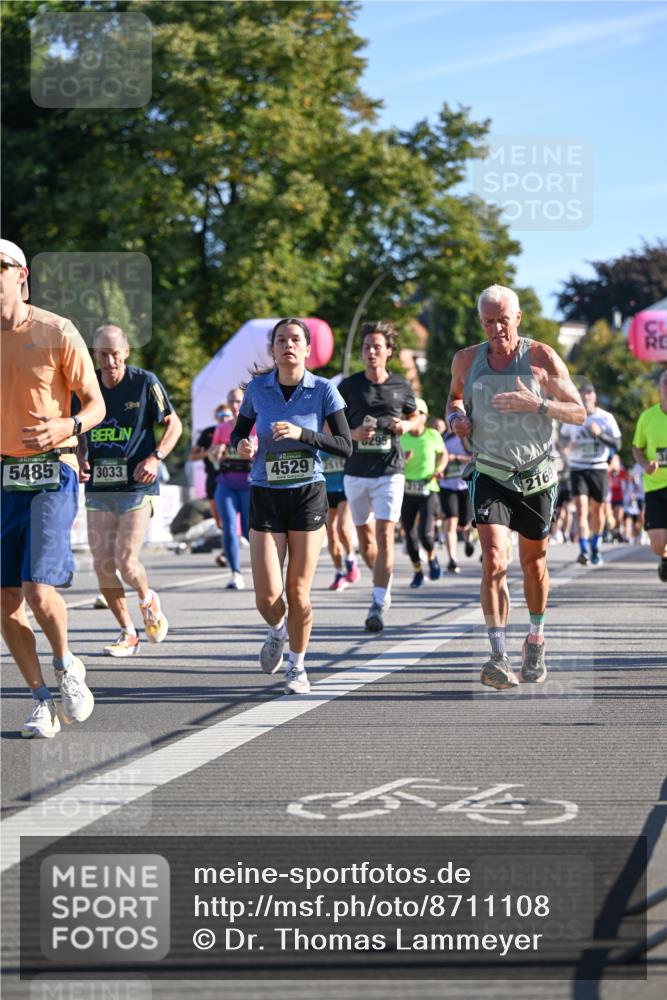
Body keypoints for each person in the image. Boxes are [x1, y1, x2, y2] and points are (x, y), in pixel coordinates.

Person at [446, 284, 585, 690]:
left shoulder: (540, 357)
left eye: (503, 320)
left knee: (534, 564)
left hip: (537, 474)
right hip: (489, 471)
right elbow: (453, 400)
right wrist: (457, 420)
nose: (496, 329)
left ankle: (536, 640)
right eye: (488, 321)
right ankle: (497, 656)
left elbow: (577, 412)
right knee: (493, 558)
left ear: (518, 318)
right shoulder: (466, 360)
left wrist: (538, 404)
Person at [1, 238, 105, 737]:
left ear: (22, 275)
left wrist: (68, 427)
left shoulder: (56, 330)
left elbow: (95, 404)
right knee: (4, 602)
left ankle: (66, 668)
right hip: (2, 478)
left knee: (38, 591)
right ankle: (40, 699)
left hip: (51, 470)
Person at [231, 318, 351, 694]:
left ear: (307, 348)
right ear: (273, 349)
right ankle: (277, 630)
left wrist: (304, 435)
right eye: (281, 339)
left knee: (298, 591)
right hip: (265, 494)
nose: (288, 345)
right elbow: (239, 431)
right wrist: (242, 445)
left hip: (306, 494)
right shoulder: (257, 389)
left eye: (295, 339)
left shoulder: (323, 390)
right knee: (268, 596)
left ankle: (297, 666)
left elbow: (345, 445)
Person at [78, 324, 182, 657]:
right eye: (102, 354)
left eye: (114, 353)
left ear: (126, 352)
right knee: (102, 564)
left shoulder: (145, 382)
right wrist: (79, 457)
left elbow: (174, 424)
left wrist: (156, 457)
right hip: (99, 487)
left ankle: (147, 599)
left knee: (125, 560)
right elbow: (77, 428)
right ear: (95, 355)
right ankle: (127, 631)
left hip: (138, 484)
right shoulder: (85, 385)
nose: (109, 361)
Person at [338, 321, 419, 632]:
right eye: (366, 347)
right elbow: (332, 425)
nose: (371, 352)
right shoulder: (348, 386)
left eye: (376, 347)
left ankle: (377, 603)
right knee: (365, 540)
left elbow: (416, 415)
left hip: (390, 470)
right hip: (356, 472)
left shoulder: (400, 385)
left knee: (385, 535)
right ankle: (381, 580)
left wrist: (407, 427)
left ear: (388, 351)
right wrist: (354, 433)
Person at [559, 383, 621, 566]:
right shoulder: (572, 417)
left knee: (598, 510)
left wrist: (600, 434)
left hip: (598, 467)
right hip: (578, 468)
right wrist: (567, 448)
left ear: (594, 396)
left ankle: (595, 545)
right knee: (581, 509)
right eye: (582, 393)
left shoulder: (605, 418)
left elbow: (617, 445)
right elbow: (561, 443)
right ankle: (584, 550)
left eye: (589, 393)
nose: (586, 396)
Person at [210, 388, 256, 590]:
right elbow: (213, 456)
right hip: (226, 483)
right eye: (231, 402)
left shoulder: (255, 426)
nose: (235, 406)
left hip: (249, 484)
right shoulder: (222, 429)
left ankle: (265, 568)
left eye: (238, 401)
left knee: (249, 531)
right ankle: (235, 573)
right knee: (228, 528)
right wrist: (215, 452)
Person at [399, 398, 445, 587]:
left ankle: (432, 557)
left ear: (423, 417)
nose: (412, 418)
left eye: (415, 415)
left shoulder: (433, 435)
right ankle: (417, 571)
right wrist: (402, 460)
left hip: (428, 488)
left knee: (425, 533)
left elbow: (443, 454)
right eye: (409, 415)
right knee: (409, 534)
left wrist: (439, 468)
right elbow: (392, 463)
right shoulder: (402, 437)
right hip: (407, 490)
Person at [632, 369, 667, 581]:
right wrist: (645, 465)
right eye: (665, 382)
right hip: (654, 486)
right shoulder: (648, 417)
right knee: (657, 545)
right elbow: (637, 448)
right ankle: (664, 558)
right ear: (660, 387)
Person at [190, 402, 227, 567]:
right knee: (220, 522)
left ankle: (227, 553)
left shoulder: (237, 430)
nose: (223, 419)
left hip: (236, 478)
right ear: (215, 417)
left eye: (226, 415)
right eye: (220, 416)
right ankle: (228, 550)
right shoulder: (208, 433)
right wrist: (208, 451)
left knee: (234, 519)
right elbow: (193, 456)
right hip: (214, 477)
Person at [439, 427, 476, 571]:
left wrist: (456, 458)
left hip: (465, 485)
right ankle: (452, 559)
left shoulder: (465, 437)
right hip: (447, 485)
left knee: (464, 523)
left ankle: (468, 538)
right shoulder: (442, 438)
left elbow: (476, 458)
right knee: (450, 521)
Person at [322, 450, 359, 591]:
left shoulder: (342, 431)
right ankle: (339, 572)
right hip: (326, 490)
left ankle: (350, 559)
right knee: (331, 533)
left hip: (344, 488)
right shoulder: (315, 434)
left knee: (342, 527)